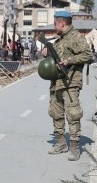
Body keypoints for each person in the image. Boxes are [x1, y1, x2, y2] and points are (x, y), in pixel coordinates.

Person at [41, 10, 93, 161]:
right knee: (55, 113)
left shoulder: (75, 37)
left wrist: (69, 61)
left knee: (73, 114)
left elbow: (88, 55)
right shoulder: (60, 39)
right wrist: (46, 52)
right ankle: (61, 143)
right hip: (56, 82)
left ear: (62, 23)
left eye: (55, 22)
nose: (54, 25)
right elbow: (57, 57)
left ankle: (75, 146)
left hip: (70, 82)